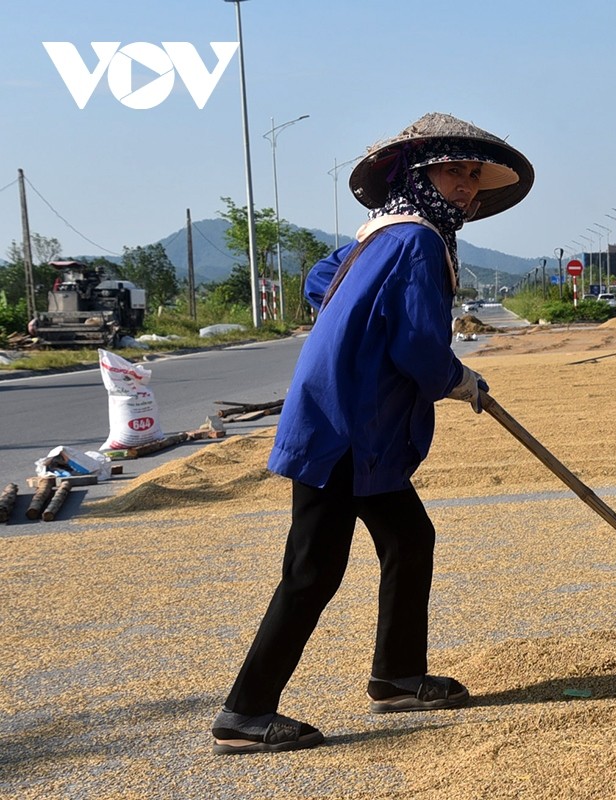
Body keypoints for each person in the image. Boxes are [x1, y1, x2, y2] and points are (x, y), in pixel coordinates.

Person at [211, 112, 534, 754]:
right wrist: (457, 379)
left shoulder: (381, 234)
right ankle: (244, 714)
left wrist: (359, 317)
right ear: (418, 174)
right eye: (452, 170)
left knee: (410, 537)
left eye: (473, 175)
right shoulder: (411, 239)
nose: (467, 185)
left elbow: (317, 280)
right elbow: (417, 342)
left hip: (366, 430)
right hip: (342, 426)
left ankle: (397, 675)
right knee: (313, 570)